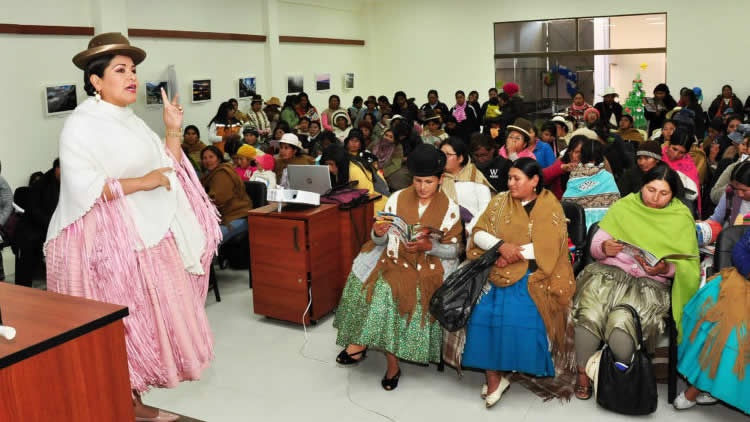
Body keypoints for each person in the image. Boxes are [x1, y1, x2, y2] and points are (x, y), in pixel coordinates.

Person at [45, 33, 220, 421]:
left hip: (144, 235)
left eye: (134, 70)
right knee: (114, 328)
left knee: (141, 321)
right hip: (99, 244)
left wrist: (173, 128)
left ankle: (133, 401)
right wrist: (145, 182)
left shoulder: (133, 122)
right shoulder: (80, 125)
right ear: (95, 80)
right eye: (120, 70)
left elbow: (167, 170)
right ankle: (120, 403)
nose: (132, 77)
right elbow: (85, 189)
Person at [333, 144, 462, 391]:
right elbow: (380, 238)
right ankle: (375, 350)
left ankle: (386, 362)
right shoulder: (397, 197)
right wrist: (377, 232)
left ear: (440, 180)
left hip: (429, 264)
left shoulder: (450, 208)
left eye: (428, 182)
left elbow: (454, 250)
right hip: (393, 256)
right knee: (364, 279)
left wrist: (428, 247)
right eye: (417, 181)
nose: (422, 188)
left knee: (387, 291)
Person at [454, 158, 576, 407]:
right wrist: (500, 248)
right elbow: (478, 233)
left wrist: (511, 254)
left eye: (516, 179)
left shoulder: (548, 206)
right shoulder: (499, 201)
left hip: (536, 270)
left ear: (534, 181)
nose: (510, 183)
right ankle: (494, 377)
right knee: (482, 311)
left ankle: (502, 374)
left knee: (518, 313)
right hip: (497, 265)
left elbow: (549, 246)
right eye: (509, 178)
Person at [572, 163, 699, 400]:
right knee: (590, 313)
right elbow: (597, 244)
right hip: (608, 274)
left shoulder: (680, 217)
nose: (655, 198)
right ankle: (582, 373)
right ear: (642, 186)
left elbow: (688, 265)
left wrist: (665, 268)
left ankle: (619, 375)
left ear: (673, 195)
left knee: (623, 323)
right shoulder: (625, 206)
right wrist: (604, 248)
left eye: (664, 193)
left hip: (650, 283)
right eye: (651, 190)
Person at [674, 228, 750, 413]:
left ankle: (709, 387)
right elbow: (740, 250)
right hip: (743, 280)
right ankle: (702, 385)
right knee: (723, 321)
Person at [15, 159, 60, 287]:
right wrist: (53, 224)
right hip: (31, 232)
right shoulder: (41, 185)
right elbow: (35, 211)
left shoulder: (60, 182)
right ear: (57, 169)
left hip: (48, 229)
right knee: (25, 274)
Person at [561, 139, 620, 229]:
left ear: (582, 155)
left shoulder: (575, 174)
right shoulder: (607, 176)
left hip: (578, 228)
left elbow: (568, 200)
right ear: (601, 156)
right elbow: (615, 204)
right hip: (603, 228)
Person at [439, 137, 493, 233]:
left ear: (460, 158)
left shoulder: (475, 177)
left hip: (472, 232)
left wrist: (468, 230)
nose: (443, 158)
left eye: (448, 155)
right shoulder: (436, 178)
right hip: (443, 233)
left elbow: (485, 209)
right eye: (441, 154)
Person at [200, 145, 252, 245]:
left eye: (211, 157)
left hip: (237, 216)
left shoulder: (222, 173)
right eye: (204, 158)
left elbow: (217, 200)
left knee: (209, 241)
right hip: (225, 216)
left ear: (219, 158)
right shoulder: (208, 175)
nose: (208, 160)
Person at [321, 144, 388, 214]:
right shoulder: (341, 168)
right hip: (355, 207)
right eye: (327, 164)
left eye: (331, 164)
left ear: (340, 162)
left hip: (378, 208)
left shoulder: (354, 170)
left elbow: (369, 196)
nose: (329, 168)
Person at [663, 127, 701, 208]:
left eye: (681, 152)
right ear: (669, 144)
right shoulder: (658, 156)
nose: (676, 155)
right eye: (674, 149)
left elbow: (691, 196)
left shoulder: (689, 167)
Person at [707, 161, 750, 226]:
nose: (739, 193)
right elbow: (716, 219)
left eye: (744, 190)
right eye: (735, 188)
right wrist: (704, 225)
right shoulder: (731, 194)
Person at [543, 134, 584, 199]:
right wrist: (561, 168)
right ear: (570, 152)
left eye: (582, 153)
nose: (579, 156)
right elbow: (543, 176)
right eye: (577, 152)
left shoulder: (589, 166)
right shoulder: (561, 163)